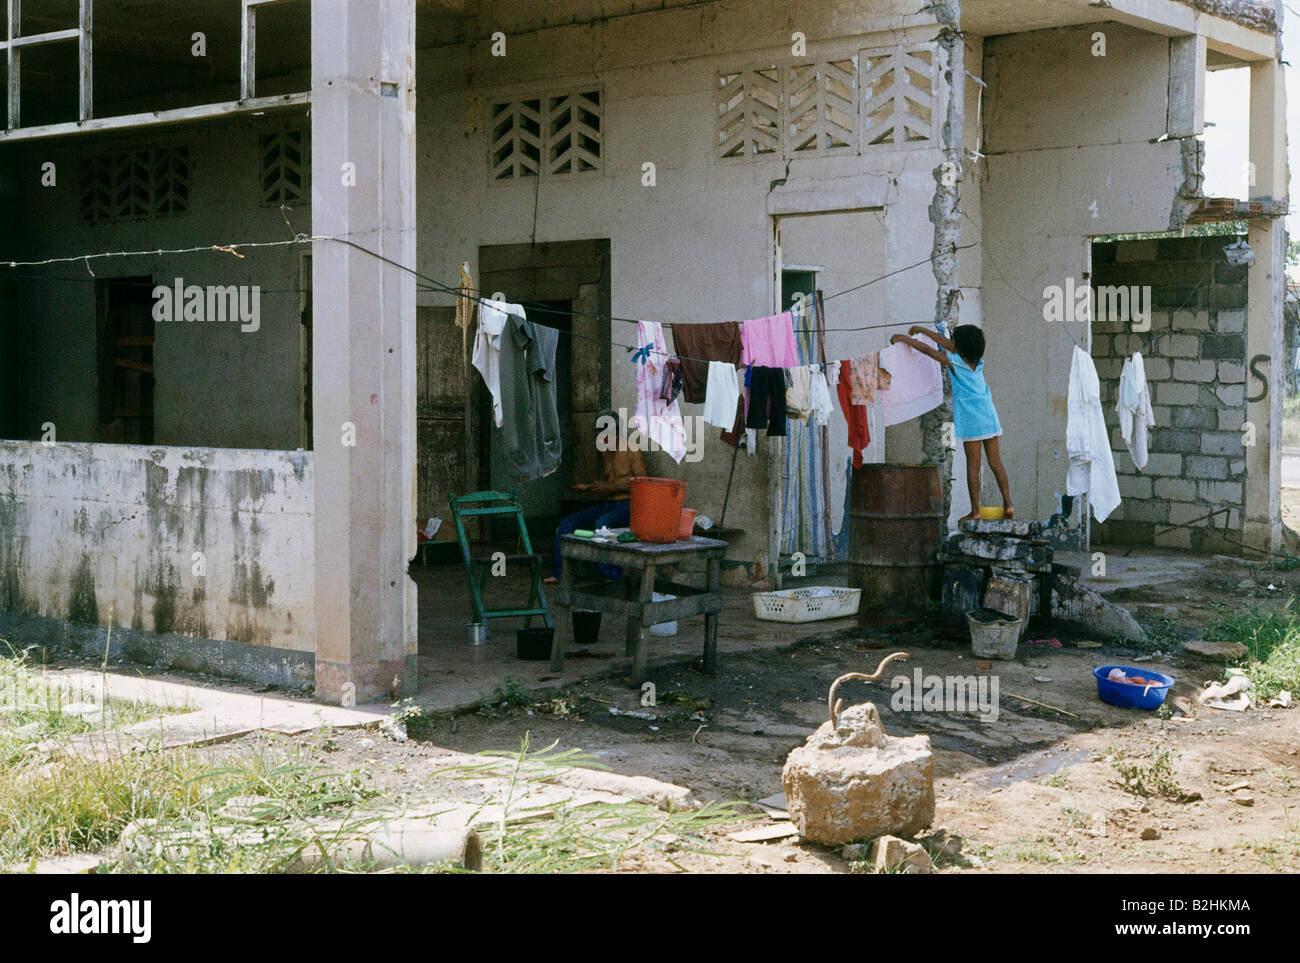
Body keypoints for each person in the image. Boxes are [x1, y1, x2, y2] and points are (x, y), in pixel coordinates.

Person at [889, 324, 1013, 521]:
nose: (950, 343)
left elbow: (929, 351)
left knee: (973, 465)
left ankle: (975, 511)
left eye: (953, 341)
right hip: (989, 415)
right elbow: (944, 343)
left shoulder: (954, 362)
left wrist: (906, 340)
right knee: (996, 463)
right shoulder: (977, 362)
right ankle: (1008, 505)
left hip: (972, 420)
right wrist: (923, 330)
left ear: (957, 347)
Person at [544, 409, 647, 583]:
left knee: (601, 524)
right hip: (609, 505)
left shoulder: (631, 450)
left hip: (628, 505)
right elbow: (608, 484)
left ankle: (613, 575)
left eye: (603, 436)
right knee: (567, 523)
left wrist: (608, 487)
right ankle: (560, 572)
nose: (599, 440)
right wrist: (589, 487)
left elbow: (641, 483)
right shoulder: (606, 452)